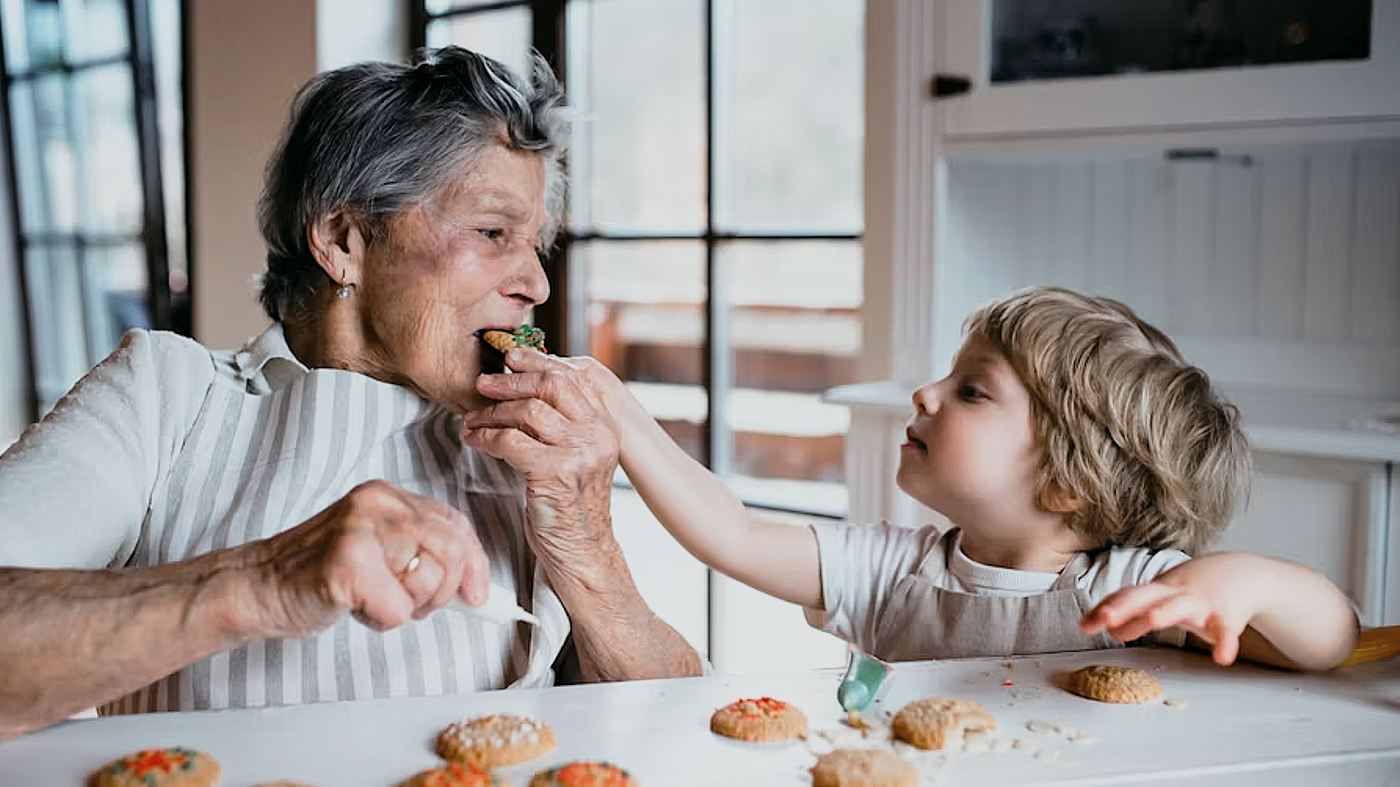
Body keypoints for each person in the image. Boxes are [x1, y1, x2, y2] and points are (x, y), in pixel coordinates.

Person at [0, 45, 701, 743]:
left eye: (534, 245)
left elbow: (683, 729)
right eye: (492, 233)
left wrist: (587, 543)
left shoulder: (523, 447)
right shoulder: (165, 394)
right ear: (343, 239)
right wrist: (267, 577)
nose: (537, 285)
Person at [473, 285, 1359, 671]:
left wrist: (1244, 580)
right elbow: (729, 532)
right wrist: (622, 413)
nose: (926, 392)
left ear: (1069, 483)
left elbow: (1334, 637)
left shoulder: (1128, 591)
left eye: (972, 391)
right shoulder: (896, 571)